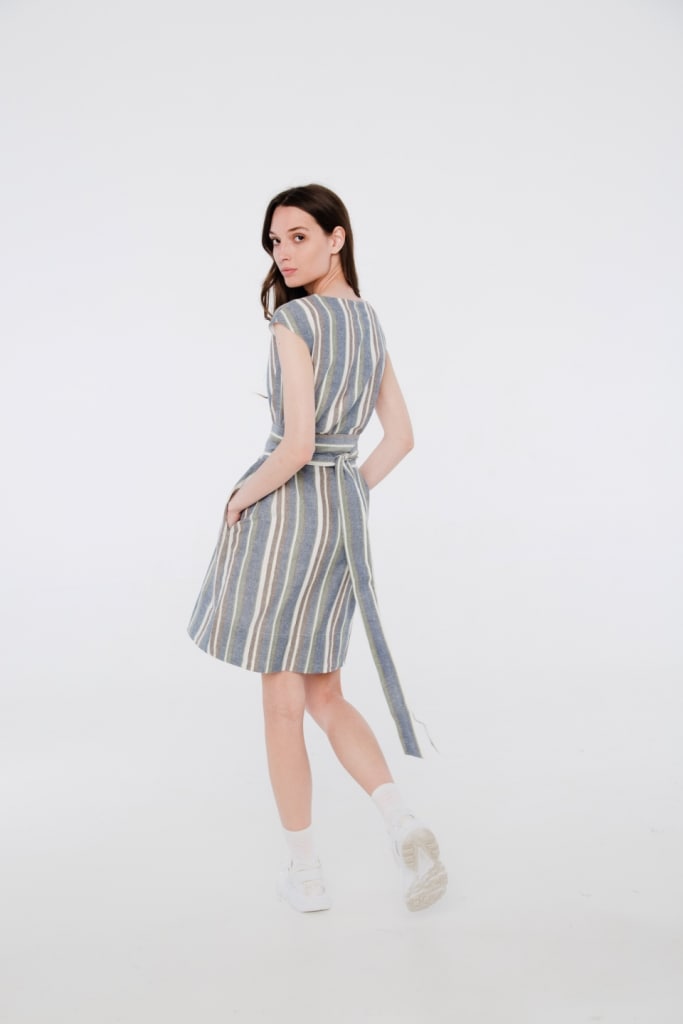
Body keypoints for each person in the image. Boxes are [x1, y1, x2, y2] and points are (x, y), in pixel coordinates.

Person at [187, 183, 447, 913]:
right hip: (342, 518)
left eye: (299, 236)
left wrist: (241, 496)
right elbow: (400, 438)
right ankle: (403, 822)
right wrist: (348, 494)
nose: (284, 253)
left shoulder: (293, 321)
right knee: (326, 694)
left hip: (284, 517)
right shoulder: (368, 321)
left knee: (282, 704)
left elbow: (297, 445)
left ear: (337, 237)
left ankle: (306, 874)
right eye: (275, 242)